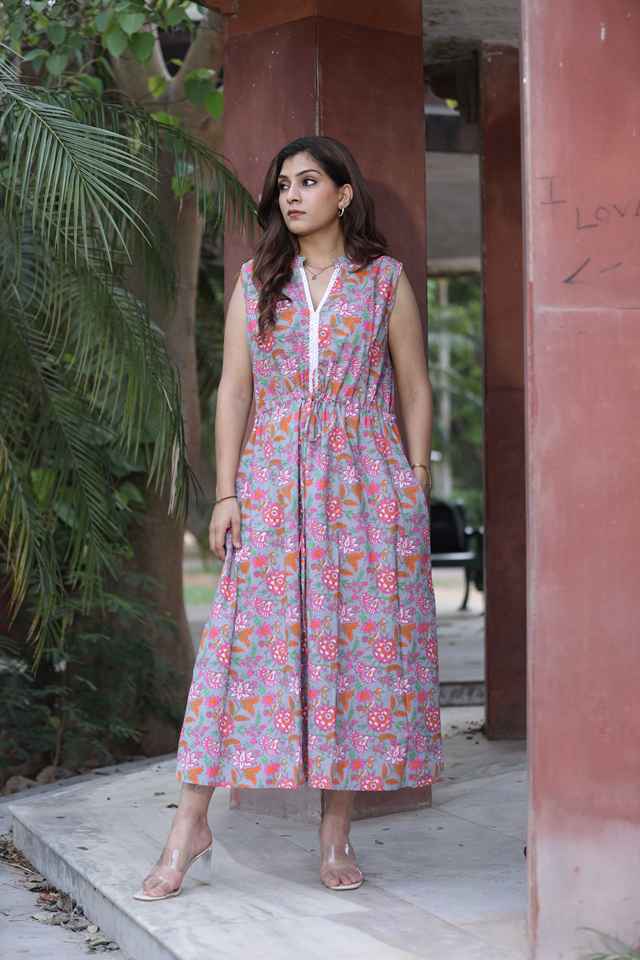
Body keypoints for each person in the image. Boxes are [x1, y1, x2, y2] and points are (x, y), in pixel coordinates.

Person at [134, 135, 444, 901]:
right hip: (274, 482)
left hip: (366, 487)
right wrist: (226, 493)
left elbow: (414, 385)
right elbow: (234, 392)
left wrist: (414, 482)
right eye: (283, 186)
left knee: (353, 649)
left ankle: (335, 831)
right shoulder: (257, 282)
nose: (292, 196)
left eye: (308, 182)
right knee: (238, 647)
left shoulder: (383, 281)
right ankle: (189, 825)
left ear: (344, 194)